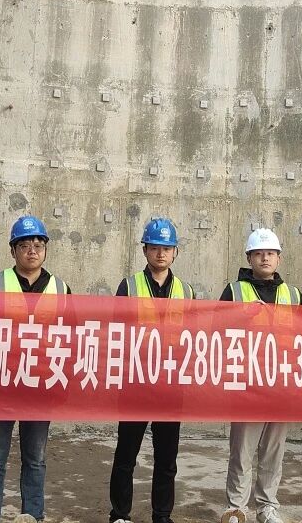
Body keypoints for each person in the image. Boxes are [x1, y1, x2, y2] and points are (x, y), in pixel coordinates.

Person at [0, 215, 71, 523]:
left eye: (38, 245)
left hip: (40, 387)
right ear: (13, 250)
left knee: (36, 459)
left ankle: (33, 515)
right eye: (24, 245)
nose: (32, 251)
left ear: (45, 250)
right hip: (1, 386)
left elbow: (71, 339)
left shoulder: (61, 289)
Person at [109, 218, 195, 523]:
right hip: (136, 383)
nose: (161, 253)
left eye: (167, 248)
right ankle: (120, 514)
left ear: (175, 252)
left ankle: (162, 515)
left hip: (171, 385)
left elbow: (193, 337)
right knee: (126, 454)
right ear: (145, 250)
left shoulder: (186, 291)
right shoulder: (129, 286)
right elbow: (116, 332)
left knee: (167, 457)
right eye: (155, 247)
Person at [220, 228, 302, 523]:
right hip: (248, 384)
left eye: (270, 253)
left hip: (281, 384)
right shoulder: (234, 291)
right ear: (249, 258)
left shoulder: (293, 294)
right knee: (242, 451)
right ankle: (236, 507)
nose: (265, 258)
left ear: (279, 258)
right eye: (259, 253)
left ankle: (267, 506)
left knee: (273, 451)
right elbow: (217, 330)